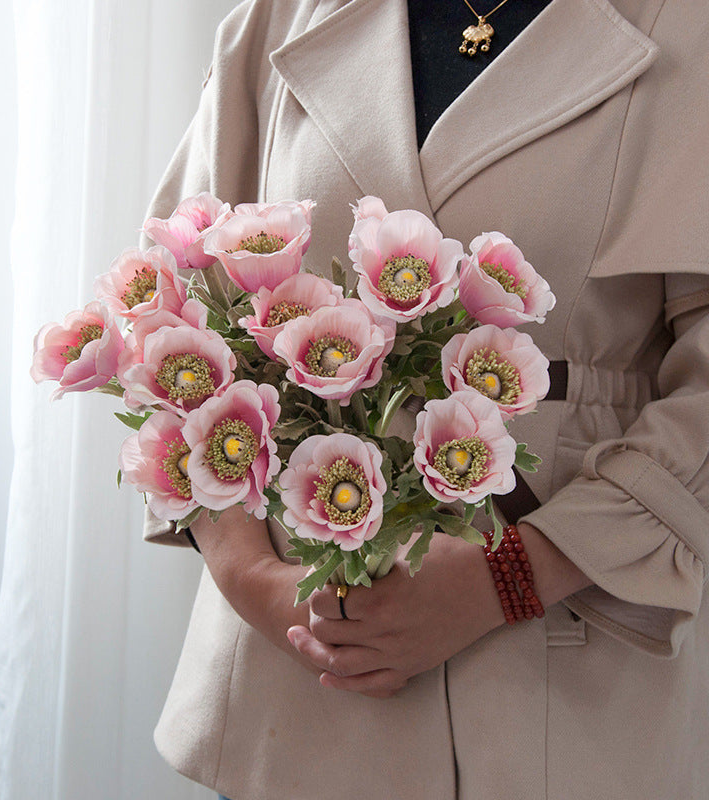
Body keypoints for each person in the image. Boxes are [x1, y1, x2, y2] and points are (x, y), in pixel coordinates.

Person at [142, 1, 709, 798]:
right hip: (295, 679)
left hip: (565, 663)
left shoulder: (685, 27)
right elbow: (169, 325)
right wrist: (254, 582)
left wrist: (514, 578)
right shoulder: (275, 17)